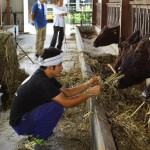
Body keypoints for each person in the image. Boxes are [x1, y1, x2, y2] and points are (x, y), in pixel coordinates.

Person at [9, 47, 103, 150]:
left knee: (56, 103)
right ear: (50, 67)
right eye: (59, 65)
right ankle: (35, 141)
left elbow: (67, 92)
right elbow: (67, 103)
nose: (62, 68)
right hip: (21, 123)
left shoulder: (44, 74)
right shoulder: (42, 82)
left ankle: (40, 131)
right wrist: (91, 93)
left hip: (24, 116)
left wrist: (88, 84)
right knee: (57, 106)